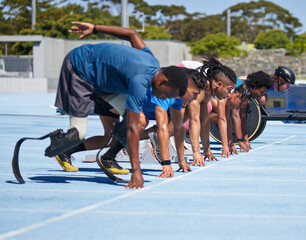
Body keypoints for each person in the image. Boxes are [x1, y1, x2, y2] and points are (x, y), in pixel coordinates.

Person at [46, 21, 188, 189]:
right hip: (79, 69)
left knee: (141, 121)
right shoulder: (140, 81)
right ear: (165, 81)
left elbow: (132, 34)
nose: (164, 99)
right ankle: (58, 141)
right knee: (79, 134)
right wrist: (136, 171)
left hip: (105, 84)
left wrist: (96, 28)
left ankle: (108, 155)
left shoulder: (152, 63)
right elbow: (133, 130)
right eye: (167, 95)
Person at [98, 68, 206, 178]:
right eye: (194, 94)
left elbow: (178, 128)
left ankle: (106, 156)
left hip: (120, 96)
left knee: (106, 138)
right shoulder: (165, 91)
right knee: (142, 121)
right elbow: (162, 129)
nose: (194, 99)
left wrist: (181, 160)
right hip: (107, 93)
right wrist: (166, 164)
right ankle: (108, 156)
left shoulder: (177, 98)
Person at [182, 57, 237, 167]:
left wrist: (207, 150)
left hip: (194, 79)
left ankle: (159, 135)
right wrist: (196, 152)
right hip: (182, 72)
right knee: (190, 114)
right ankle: (164, 137)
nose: (230, 94)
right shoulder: (200, 88)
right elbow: (195, 121)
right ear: (219, 84)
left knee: (205, 110)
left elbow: (205, 121)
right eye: (229, 90)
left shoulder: (208, 89)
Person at [216, 71, 274, 157]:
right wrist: (238, 141)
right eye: (261, 93)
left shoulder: (247, 92)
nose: (260, 96)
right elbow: (235, 115)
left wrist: (245, 140)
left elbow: (242, 117)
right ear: (254, 87)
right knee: (217, 115)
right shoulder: (241, 90)